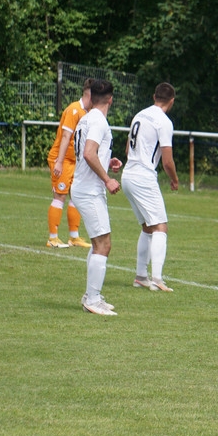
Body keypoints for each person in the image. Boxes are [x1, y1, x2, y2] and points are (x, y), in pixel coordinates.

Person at [71, 79, 124, 315]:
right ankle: (92, 299)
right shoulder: (98, 121)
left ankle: (91, 295)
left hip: (85, 187)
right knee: (103, 244)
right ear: (111, 99)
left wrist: (107, 161)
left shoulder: (86, 118)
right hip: (89, 190)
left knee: (98, 243)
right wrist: (107, 179)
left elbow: (91, 154)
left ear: (91, 97)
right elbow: (88, 153)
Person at [122, 82, 179, 292]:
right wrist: (174, 179)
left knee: (147, 226)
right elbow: (167, 161)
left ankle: (140, 276)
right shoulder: (164, 122)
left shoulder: (140, 115)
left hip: (128, 174)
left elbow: (127, 149)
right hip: (143, 177)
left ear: (154, 96)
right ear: (171, 101)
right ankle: (157, 278)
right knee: (160, 227)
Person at [46, 78, 93, 249]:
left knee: (76, 196)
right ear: (90, 94)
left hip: (75, 161)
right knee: (60, 196)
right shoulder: (74, 110)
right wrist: (59, 162)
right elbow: (66, 136)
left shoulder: (89, 113)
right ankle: (52, 238)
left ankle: (74, 237)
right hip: (63, 159)